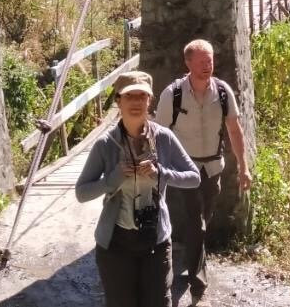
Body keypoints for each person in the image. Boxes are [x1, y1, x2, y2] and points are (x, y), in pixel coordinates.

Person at [75, 71, 200, 307]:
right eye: (129, 96)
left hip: (156, 241)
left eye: (141, 96)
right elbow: (81, 193)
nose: (135, 102)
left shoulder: (164, 138)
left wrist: (161, 173)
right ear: (118, 101)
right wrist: (112, 179)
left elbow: (194, 178)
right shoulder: (105, 144)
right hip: (116, 245)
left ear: (149, 100)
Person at [155, 39, 252, 306]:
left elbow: (235, 130)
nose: (207, 66)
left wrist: (244, 168)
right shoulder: (172, 94)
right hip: (185, 170)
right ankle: (198, 282)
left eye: (210, 60)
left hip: (213, 168)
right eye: (201, 62)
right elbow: (158, 136)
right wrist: (158, 170)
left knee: (202, 220)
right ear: (188, 63)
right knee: (196, 220)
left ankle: (190, 255)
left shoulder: (222, 92)